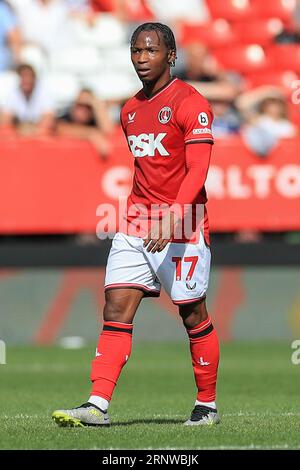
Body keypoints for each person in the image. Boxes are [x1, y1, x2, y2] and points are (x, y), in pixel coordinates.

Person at [52, 22, 220, 427]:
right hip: (134, 221)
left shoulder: (191, 102)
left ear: (171, 55)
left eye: (151, 51)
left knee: (192, 313)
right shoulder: (128, 110)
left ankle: (207, 405)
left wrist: (175, 216)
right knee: (115, 305)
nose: (141, 59)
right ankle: (97, 405)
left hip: (184, 223)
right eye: (136, 51)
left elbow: (198, 170)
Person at [56, 88, 114, 159]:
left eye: (88, 106)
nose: (83, 110)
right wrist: (92, 134)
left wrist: (98, 106)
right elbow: (61, 128)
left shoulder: (93, 121)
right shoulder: (66, 117)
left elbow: (108, 131)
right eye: (80, 105)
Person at [0, 63, 55, 135]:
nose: (27, 80)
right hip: (21, 131)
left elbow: (48, 121)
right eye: (23, 76)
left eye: (29, 76)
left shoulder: (44, 93)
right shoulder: (12, 93)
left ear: (34, 78)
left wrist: (30, 130)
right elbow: (5, 121)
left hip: (36, 133)